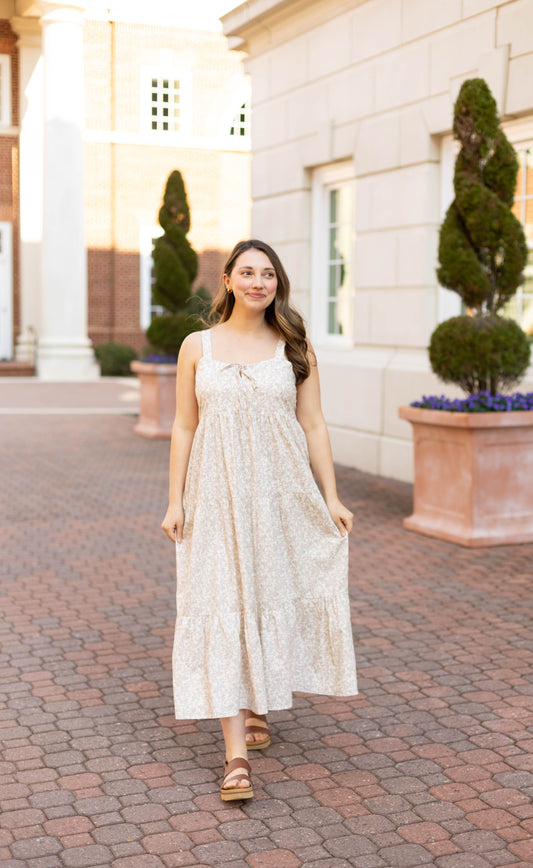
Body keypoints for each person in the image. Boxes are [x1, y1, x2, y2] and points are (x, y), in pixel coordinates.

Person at [162, 239, 358, 801]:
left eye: (267, 274)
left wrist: (333, 497)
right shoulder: (196, 346)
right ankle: (234, 757)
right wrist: (175, 501)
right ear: (227, 280)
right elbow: (183, 426)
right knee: (223, 598)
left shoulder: (294, 346)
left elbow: (314, 425)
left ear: (277, 284)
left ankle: (255, 704)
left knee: (266, 591)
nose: (257, 282)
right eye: (246, 272)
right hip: (216, 494)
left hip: (279, 492)